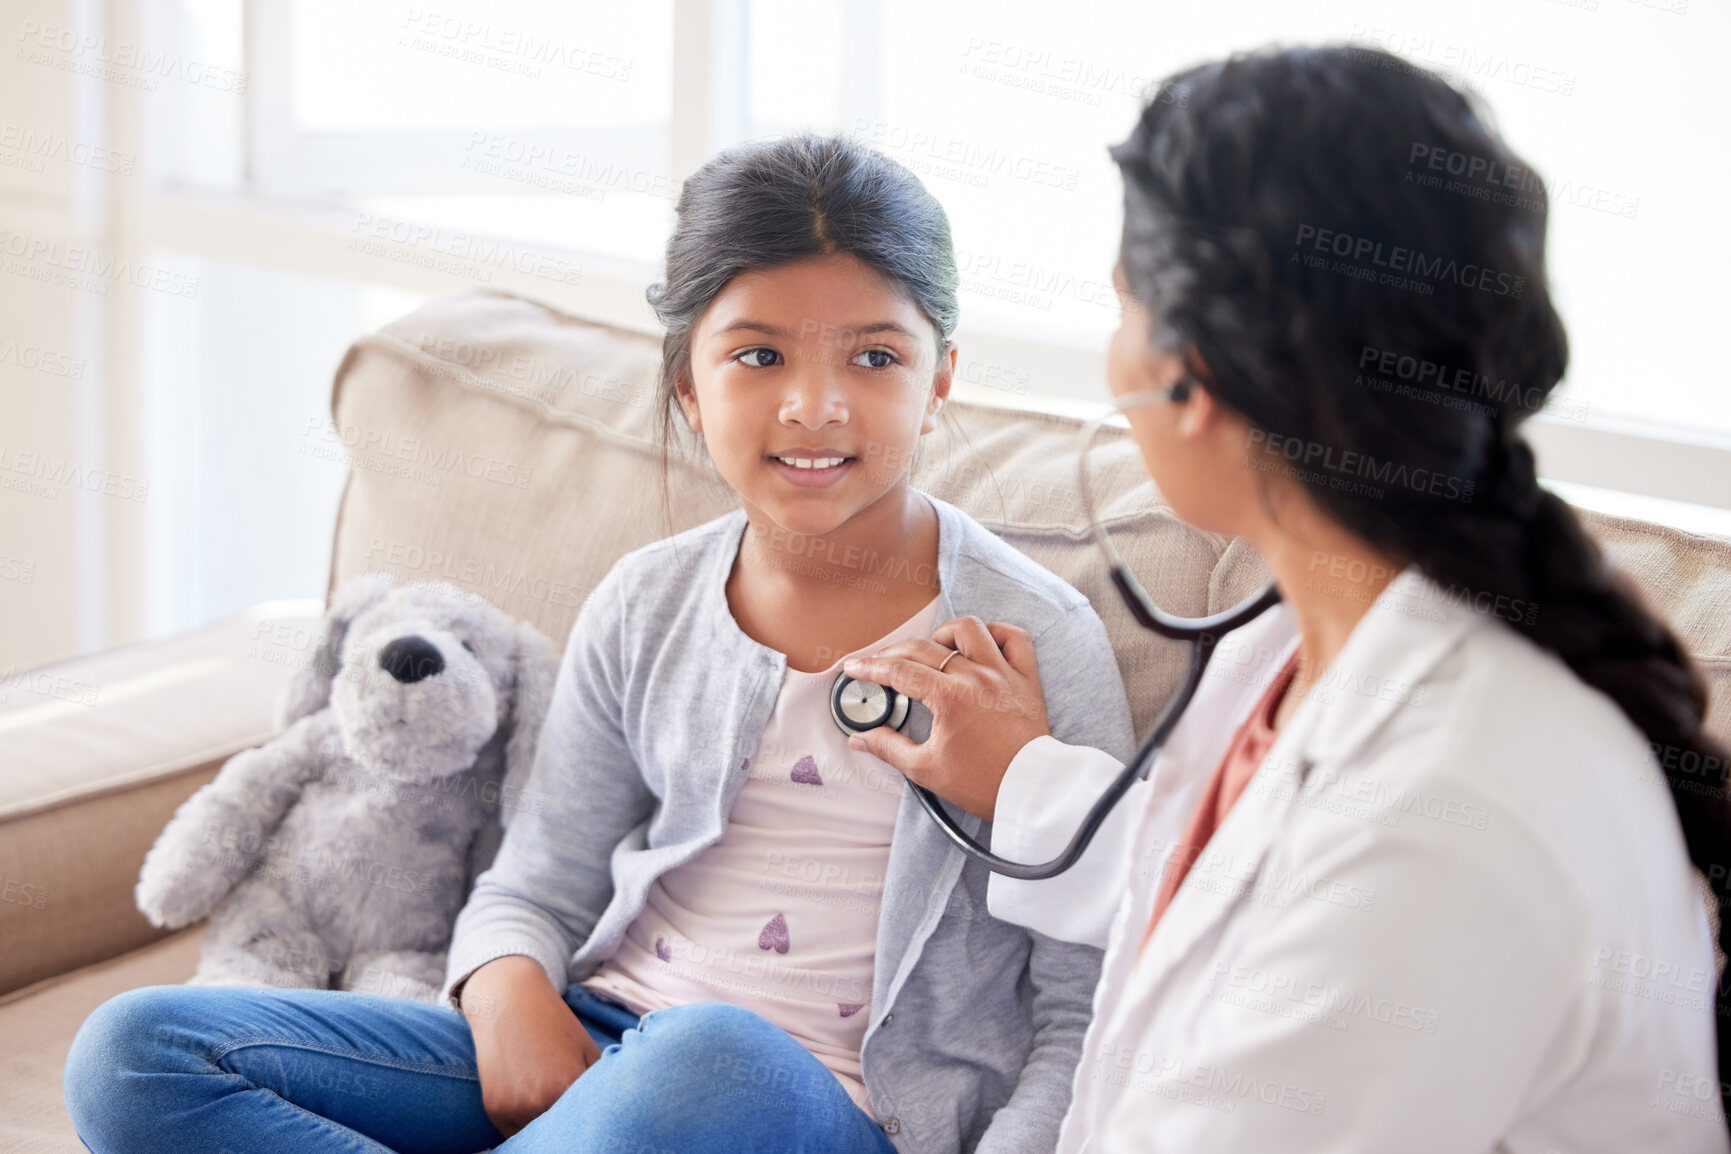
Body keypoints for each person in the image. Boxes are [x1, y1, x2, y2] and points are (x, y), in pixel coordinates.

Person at [62, 135, 1134, 1154]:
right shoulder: (648, 601)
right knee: (133, 1053)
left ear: (940, 377)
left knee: (710, 1054)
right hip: (601, 1050)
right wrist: (507, 985)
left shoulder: (1031, 637)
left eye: (876, 356)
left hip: (806, 1104)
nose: (816, 404)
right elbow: (535, 878)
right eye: (758, 354)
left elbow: (1081, 1008)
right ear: (687, 384)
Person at [845, 47, 1731, 1152]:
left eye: (1124, 306)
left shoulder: (1451, 812)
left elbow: (1335, 926)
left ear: (1196, 375)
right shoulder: (1295, 644)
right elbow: (1232, 904)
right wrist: (1024, 776)